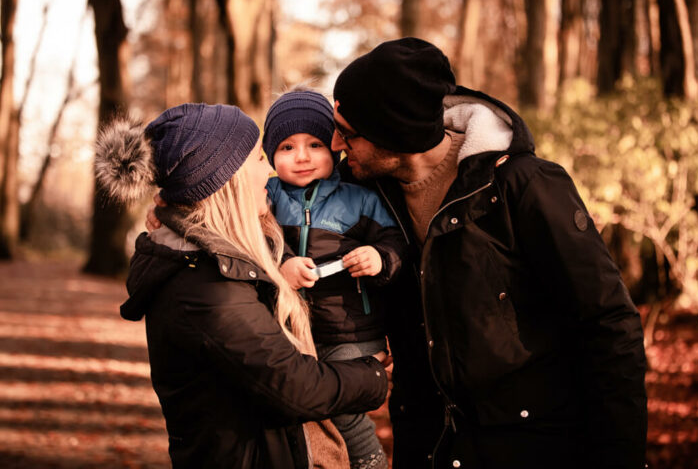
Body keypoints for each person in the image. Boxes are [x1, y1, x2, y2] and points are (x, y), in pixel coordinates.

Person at [331, 38, 648, 468]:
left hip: (531, 448)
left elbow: (608, 322)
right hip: (428, 447)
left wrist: (619, 456)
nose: (334, 144)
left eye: (347, 132)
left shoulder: (522, 187)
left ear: (394, 133)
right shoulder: (368, 201)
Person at [94, 103, 390, 469]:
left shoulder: (228, 258)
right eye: (257, 157)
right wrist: (374, 373)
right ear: (227, 180)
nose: (269, 169)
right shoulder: (207, 287)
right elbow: (294, 385)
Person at [262, 89, 406, 469]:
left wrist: (379, 258)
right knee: (303, 405)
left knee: (340, 406)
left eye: (315, 144)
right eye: (287, 148)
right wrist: (285, 264)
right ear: (270, 156)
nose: (303, 157)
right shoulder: (267, 198)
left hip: (353, 330)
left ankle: (370, 460)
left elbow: (396, 243)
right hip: (296, 328)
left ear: (336, 147)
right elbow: (254, 241)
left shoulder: (359, 198)